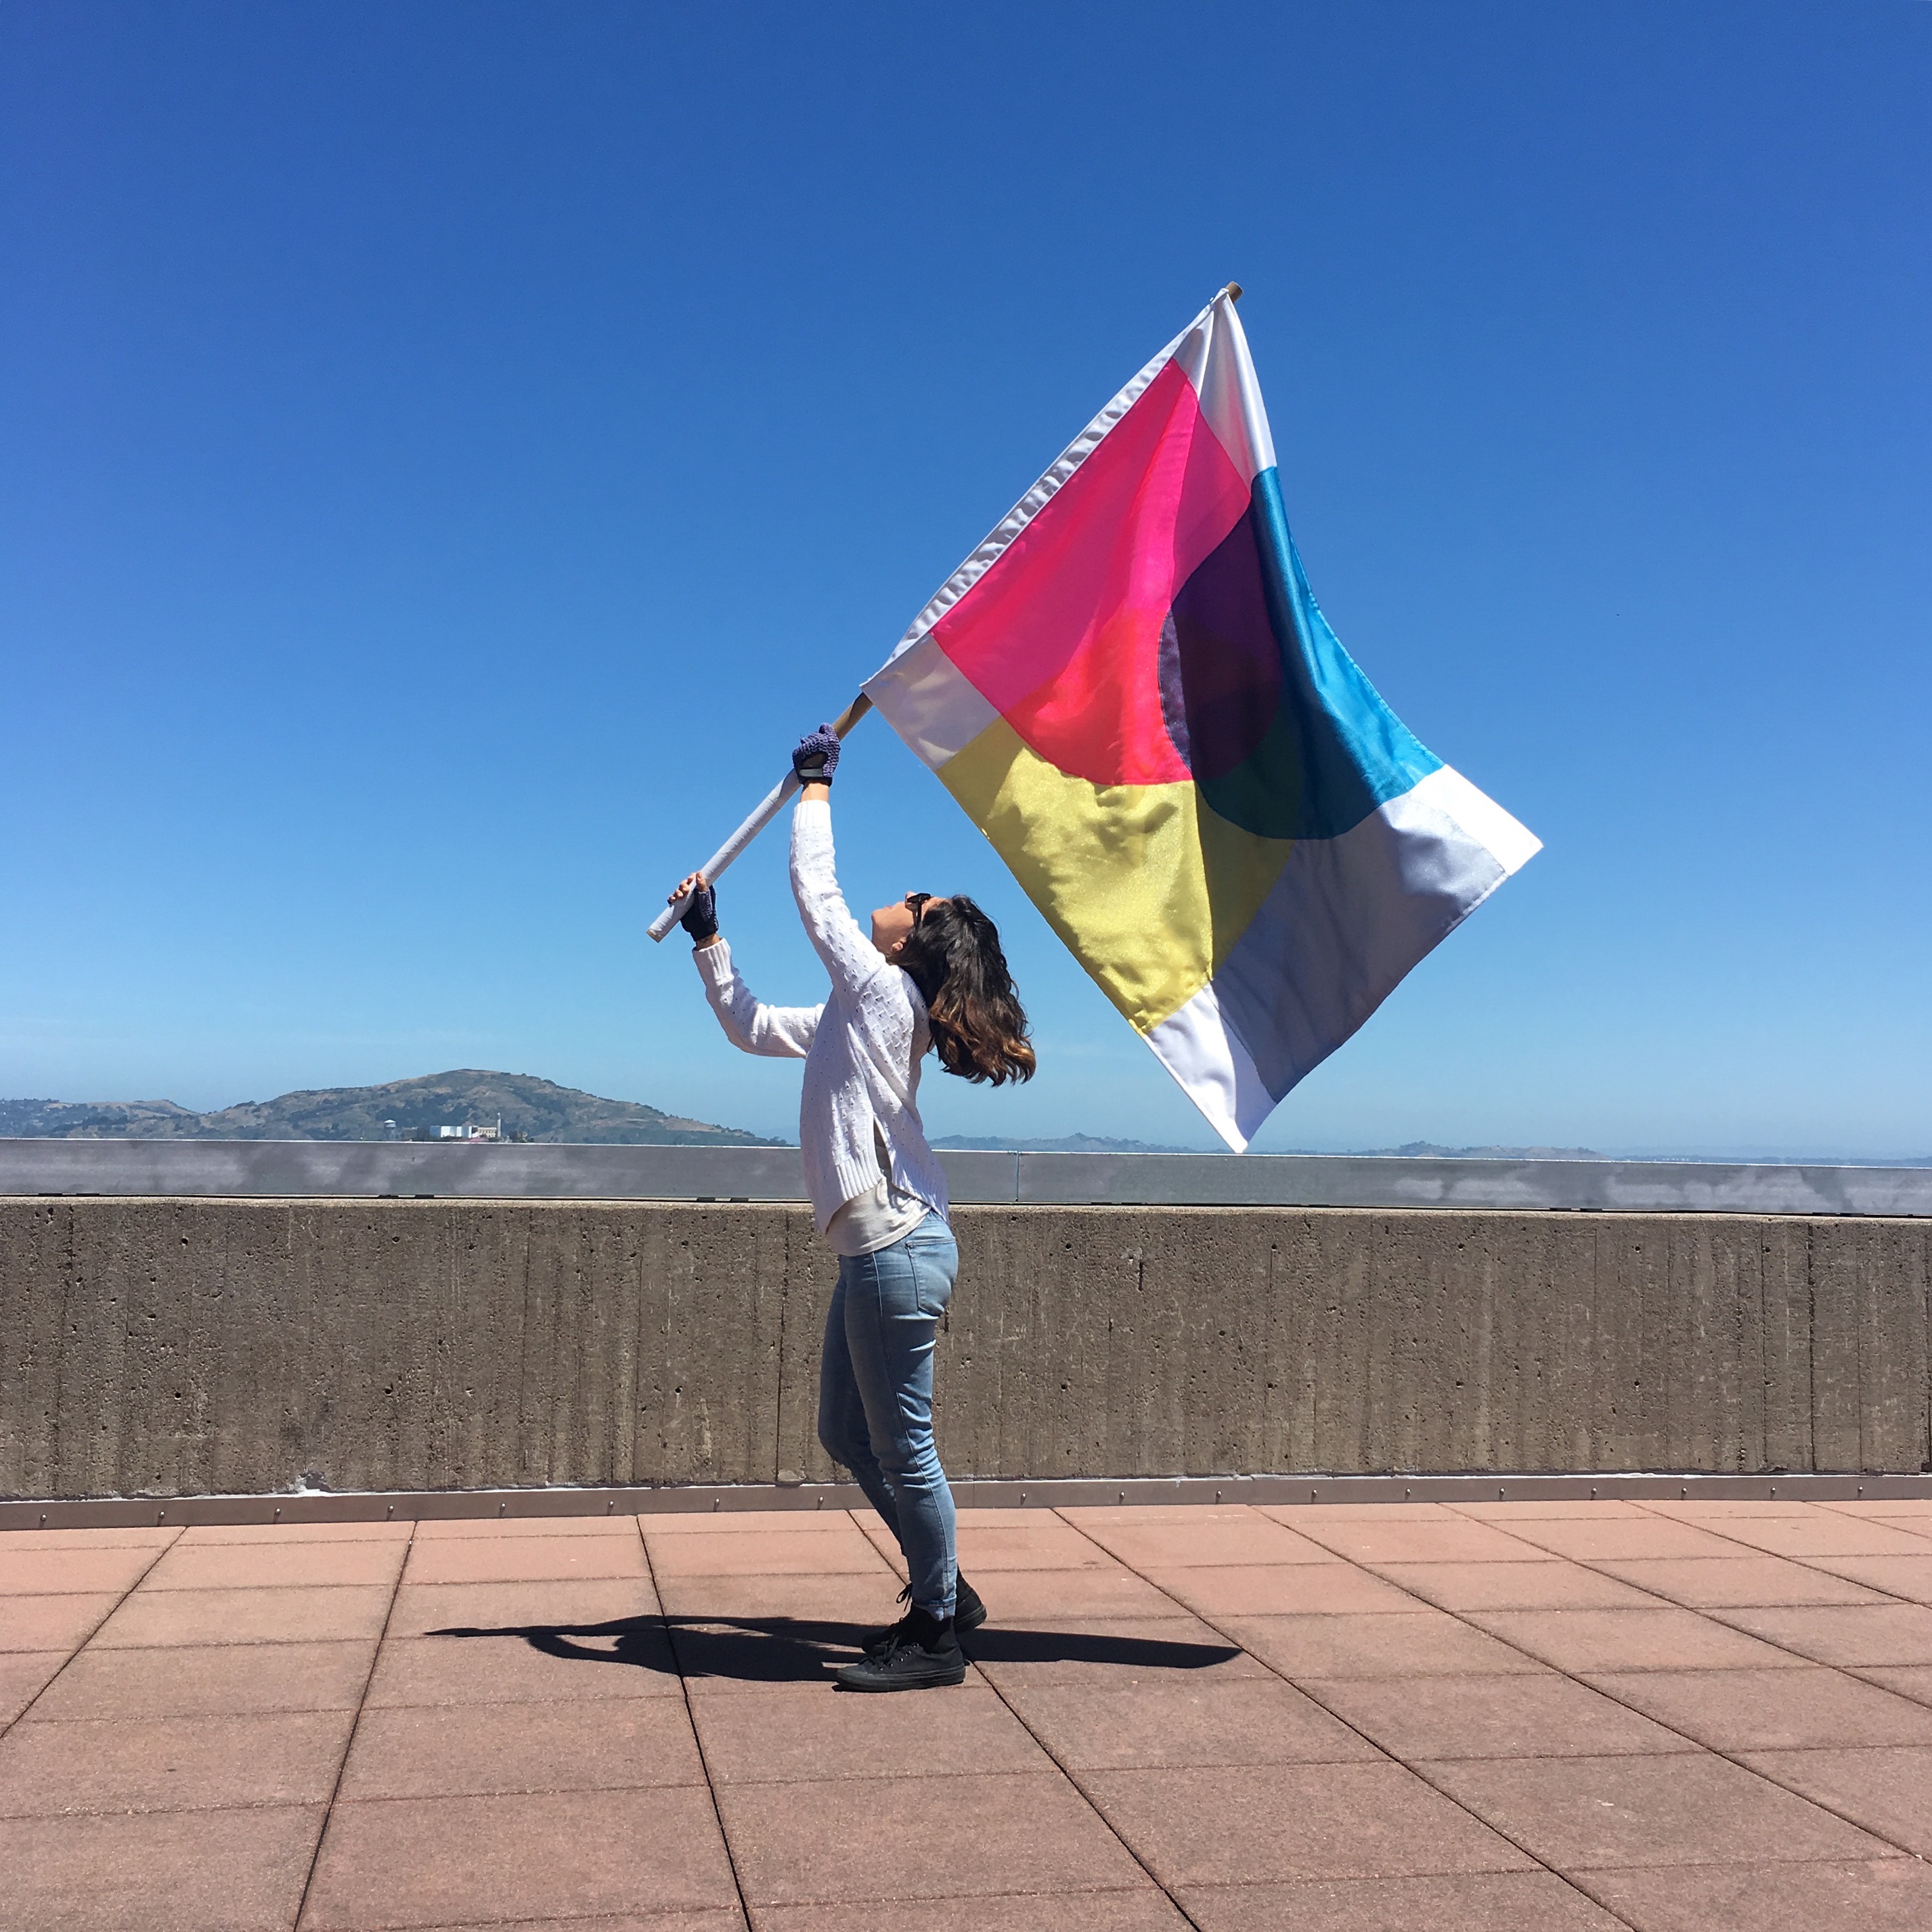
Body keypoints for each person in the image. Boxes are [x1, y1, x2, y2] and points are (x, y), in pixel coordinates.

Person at [668, 723, 1034, 1690]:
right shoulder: (857, 1009)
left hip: (893, 1244)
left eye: (913, 899)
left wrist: (816, 788)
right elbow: (751, 1027)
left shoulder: (883, 997)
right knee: (847, 1433)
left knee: (903, 1444)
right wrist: (711, 938)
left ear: (913, 938)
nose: (898, 897)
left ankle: (937, 1628)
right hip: (881, 1247)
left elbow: (819, 899)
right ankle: (942, 1585)